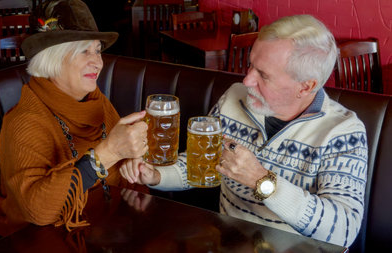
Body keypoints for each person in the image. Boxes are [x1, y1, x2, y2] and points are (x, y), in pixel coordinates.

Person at [119, 14, 368, 247]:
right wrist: (157, 176)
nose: (247, 80)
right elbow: (202, 165)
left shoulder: (343, 133)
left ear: (306, 87)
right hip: (226, 242)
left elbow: (343, 229)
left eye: (263, 75)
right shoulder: (234, 98)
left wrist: (261, 181)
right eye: (251, 66)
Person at [0, 0, 148, 237]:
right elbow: (37, 211)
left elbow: (120, 168)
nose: (97, 61)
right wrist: (109, 153)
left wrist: (132, 162)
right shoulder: (24, 121)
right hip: (33, 240)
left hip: (100, 228)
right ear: (53, 58)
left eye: (97, 50)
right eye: (84, 51)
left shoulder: (96, 101)